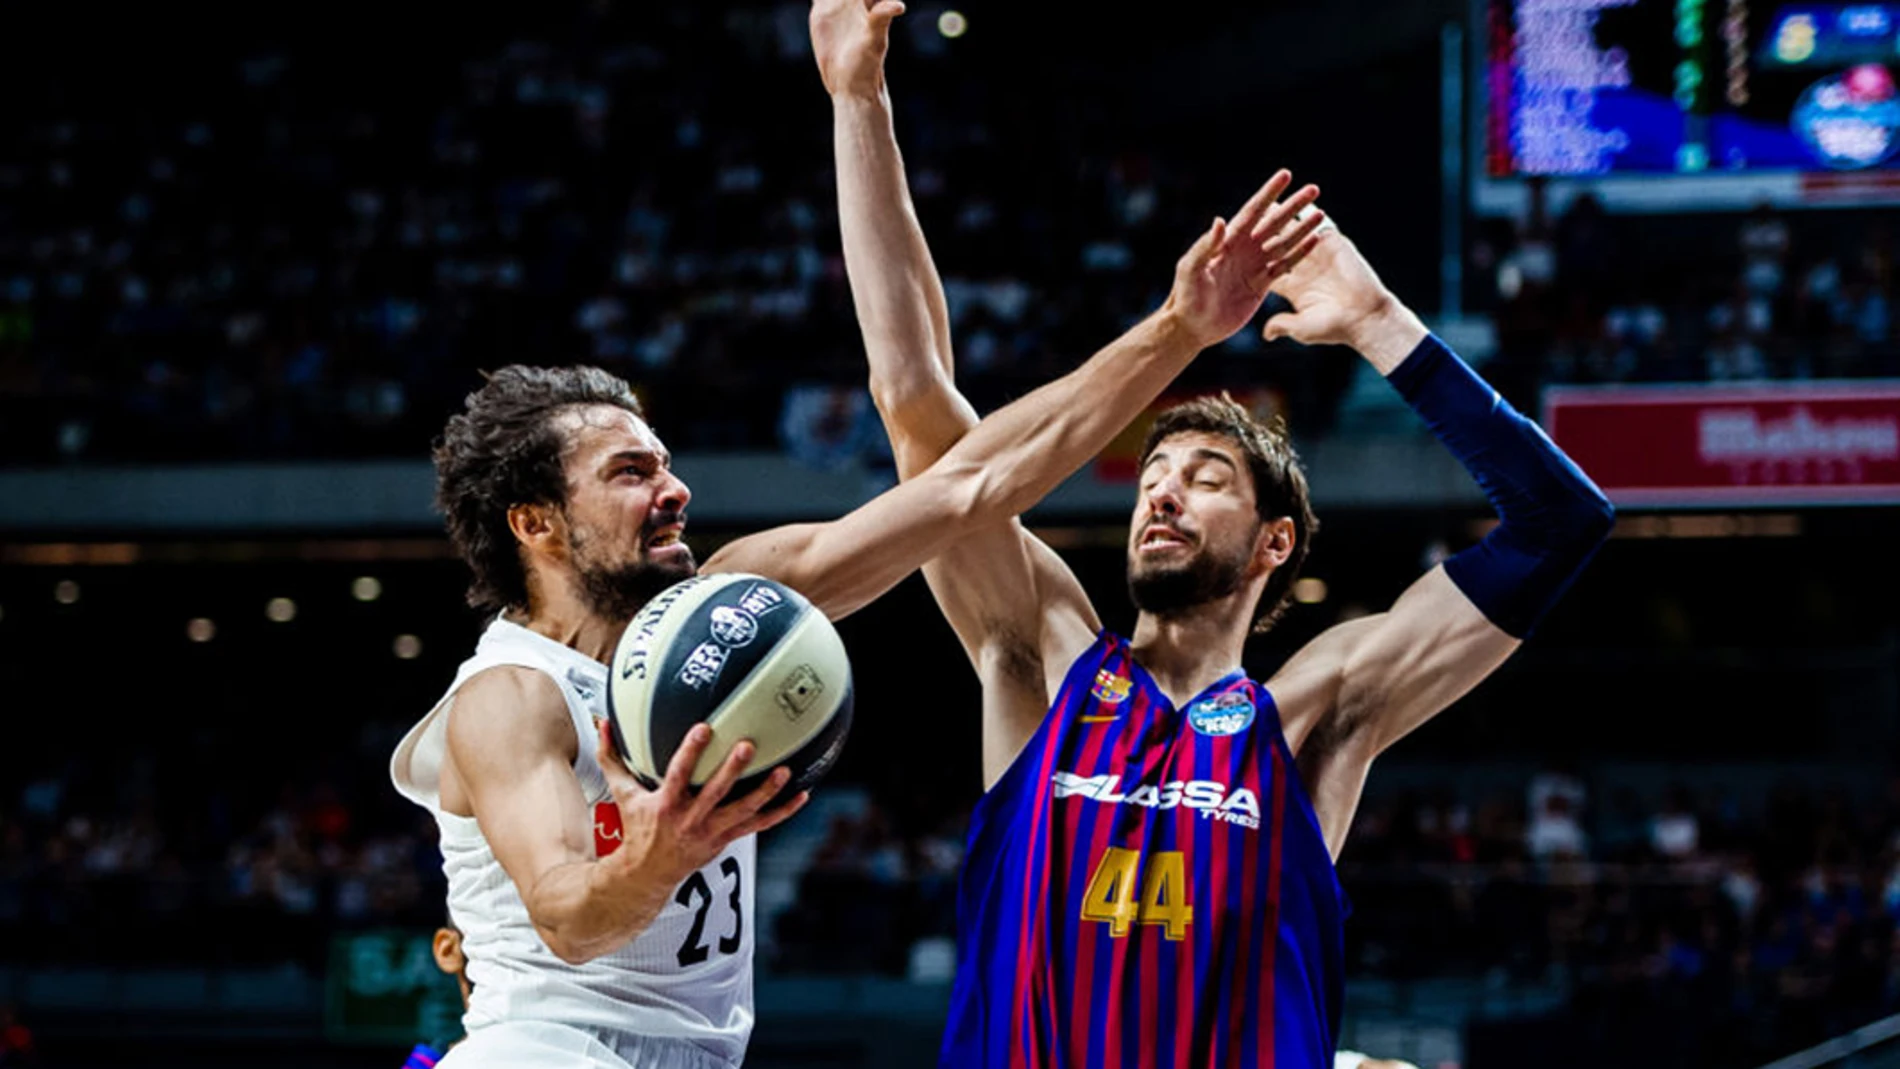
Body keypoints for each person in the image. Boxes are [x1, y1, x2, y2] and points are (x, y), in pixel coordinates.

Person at [388, 131, 1324, 1067]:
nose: (673, 490)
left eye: (667, 464)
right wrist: (657, 853)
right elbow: (566, 917)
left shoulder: (728, 607)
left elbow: (970, 485)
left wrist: (1179, 327)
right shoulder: (511, 695)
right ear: (536, 525)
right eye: (630, 473)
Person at [808, 1, 1616, 1065]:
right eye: (1153, 475)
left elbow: (1560, 522)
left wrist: (1378, 324)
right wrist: (857, 102)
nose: (1164, 493)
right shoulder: (1040, 652)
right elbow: (916, 406)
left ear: (1275, 541)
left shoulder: (1313, 712)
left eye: (1203, 477)